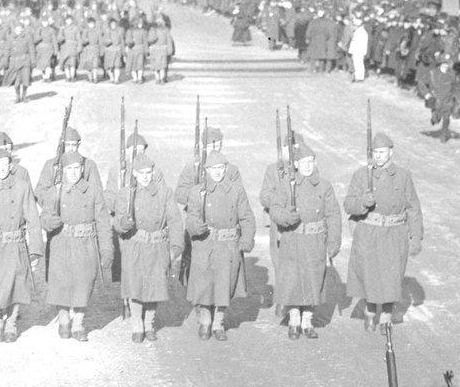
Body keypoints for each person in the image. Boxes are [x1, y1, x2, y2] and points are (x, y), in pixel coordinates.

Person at [259, 142, 343, 340]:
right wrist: (286, 217)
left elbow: (333, 215)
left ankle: (308, 320)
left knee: (313, 280)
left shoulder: (324, 186)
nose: (307, 166)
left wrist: (333, 242)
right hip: (293, 239)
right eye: (303, 162)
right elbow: (275, 209)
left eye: (310, 162)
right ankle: (294, 319)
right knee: (293, 280)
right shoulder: (286, 185)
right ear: (295, 164)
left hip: (315, 241)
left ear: (315, 162)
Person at [342, 134, 424, 329]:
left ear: (391, 152)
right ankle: (370, 309)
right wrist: (363, 202)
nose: (378, 156)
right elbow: (348, 205)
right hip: (370, 231)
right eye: (375, 153)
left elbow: (413, 208)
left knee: (392, 276)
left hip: (394, 233)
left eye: (382, 152)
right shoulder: (362, 175)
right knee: (370, 274)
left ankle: (386, 313)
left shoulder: (403, 176)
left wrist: (416, 237)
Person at [108, 152, 182, 343]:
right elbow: (117, 224)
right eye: (141, 173)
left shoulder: (164, 192)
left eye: (148, 172)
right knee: (136, 288)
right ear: (134, 174)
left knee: (153, 288)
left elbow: (174, 219)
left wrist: (176, 246)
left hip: (157, 246)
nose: (145, 176)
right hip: (136, 247)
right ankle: (137, 325)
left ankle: (149, 323)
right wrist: (124, 223)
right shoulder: (126, 194)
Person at [0, 134, 41, 342]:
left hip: (15, 244)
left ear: (10, 165)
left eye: (6, 163)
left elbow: (33, 217)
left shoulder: (21, 186)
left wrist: (35, 249)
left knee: (16, 285)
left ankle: (11, 322)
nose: (2, 168)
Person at [183, 155, 255, 342]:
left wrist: (246, 240)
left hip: (228, 245)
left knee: (224, 286)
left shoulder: (236, 190)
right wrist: (194, 226)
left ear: (226, 168)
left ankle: (218, 323)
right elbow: (190, 217)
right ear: (206, 170)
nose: (217, 172)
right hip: (205, 245)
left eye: (221, 168)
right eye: (213, 168)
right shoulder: (197, 192)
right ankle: (206, 321)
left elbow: (247, 217)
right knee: (205, 286)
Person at [40, 154, 109, 342]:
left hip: (85, 243)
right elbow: (44, 218)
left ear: (82, 169)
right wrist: (49, 222)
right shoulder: (54, 192)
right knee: (61, 284)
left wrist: (107, 249)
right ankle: (63, 319)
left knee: (84, 284)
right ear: (63, 171)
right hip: (61, 243)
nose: (73, 173)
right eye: (69, 169)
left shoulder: (93, 191)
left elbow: (103, 222)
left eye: (77, 168)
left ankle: (78, 323)